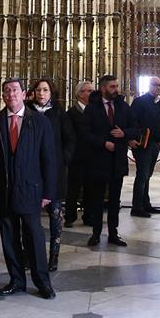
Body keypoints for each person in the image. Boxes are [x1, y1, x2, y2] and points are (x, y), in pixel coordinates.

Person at [0, 78, 57, 299]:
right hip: (3, 191)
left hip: (30, 190)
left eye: (15, 90)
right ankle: (16, 280)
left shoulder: (40, 122)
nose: (11, 94)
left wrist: (48, 192)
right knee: (9, 238)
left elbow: (49, 159)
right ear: (3, 96)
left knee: (34, 238)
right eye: (6, 91)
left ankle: (42, 282)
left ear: (24, 94)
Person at [82, 74, 140, 247]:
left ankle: (113, 233)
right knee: (97, 200)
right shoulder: (92, 108)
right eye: (112, 87)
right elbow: (85, 133)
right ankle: (96, 233)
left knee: (115, 200)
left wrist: (125, 134)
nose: (116, 89)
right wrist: (103, 143)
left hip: (117, 161)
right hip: (98, 161)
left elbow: (135, 128)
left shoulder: (123, 106)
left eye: (116, 86)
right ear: (103, 88)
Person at [30, 78, 75, 271]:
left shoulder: (59, 113)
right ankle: (30, 255)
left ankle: (53, 255)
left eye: (45, 90)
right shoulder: (27, 111)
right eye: (38, 90)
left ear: (51, 93)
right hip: (31, 172)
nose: (41, 93)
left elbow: (70, 139)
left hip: (54, 172)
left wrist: (63, 159)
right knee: (30, 218)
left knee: (55, 217)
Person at [129, 76, 160, 218]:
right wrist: (132, 139)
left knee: (147, 175)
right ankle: (136, 207)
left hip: (155, 144)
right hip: (143, 144)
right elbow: (132, 121)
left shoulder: (158, 102)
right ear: (149, 85)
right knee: (142, 175)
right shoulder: (139, 102)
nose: (159, 87)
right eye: (156, 85)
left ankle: (145, 204)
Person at [64, 80, 93, 227]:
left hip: (91, 156)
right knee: (73, 188)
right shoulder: (71, 113)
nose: (91, 93)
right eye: (88, 90)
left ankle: (88, 216)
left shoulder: (94, 111)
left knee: (90, 187)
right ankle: (70, 216)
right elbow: (69, 136)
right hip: (77, 157)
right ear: (80, 94)